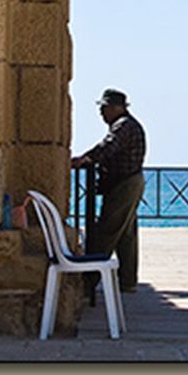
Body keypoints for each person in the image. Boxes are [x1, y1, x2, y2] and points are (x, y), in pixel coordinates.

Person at [71, 89, 146, 293]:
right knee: (126, 235)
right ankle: (127, 281)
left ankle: (88, 281)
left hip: (124, 184)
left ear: (116, 108)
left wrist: (87, 158)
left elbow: (108, 147)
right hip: (130, 182)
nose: (101, 113)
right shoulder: (127, 125)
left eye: (104, 108)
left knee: (106, 232)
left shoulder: (123, 126)